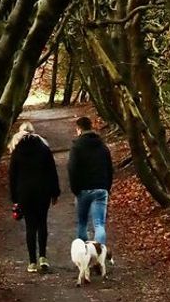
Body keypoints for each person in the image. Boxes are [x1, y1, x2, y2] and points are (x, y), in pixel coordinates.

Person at [9, 122, 60, 272]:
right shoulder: (44, 149)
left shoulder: (17, 151)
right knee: (42, 223)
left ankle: (32, 262)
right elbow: (52, 171)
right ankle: (43, 257)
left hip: (25, 193)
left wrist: (14, 198)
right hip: (42, 192)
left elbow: (12, 176)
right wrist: (54, 192)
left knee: (30, 226)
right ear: (33, 132)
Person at [67, 116, 113, 245]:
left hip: (83, 190)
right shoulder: (102, 146)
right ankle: (100, 256)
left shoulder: (76, 147)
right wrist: (107, 187)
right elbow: (109, 168)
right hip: (101, 188)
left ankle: (84, 255)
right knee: (99, 224)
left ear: (79, 129)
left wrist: (75, 189)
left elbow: (72, 169)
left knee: (82, 223)